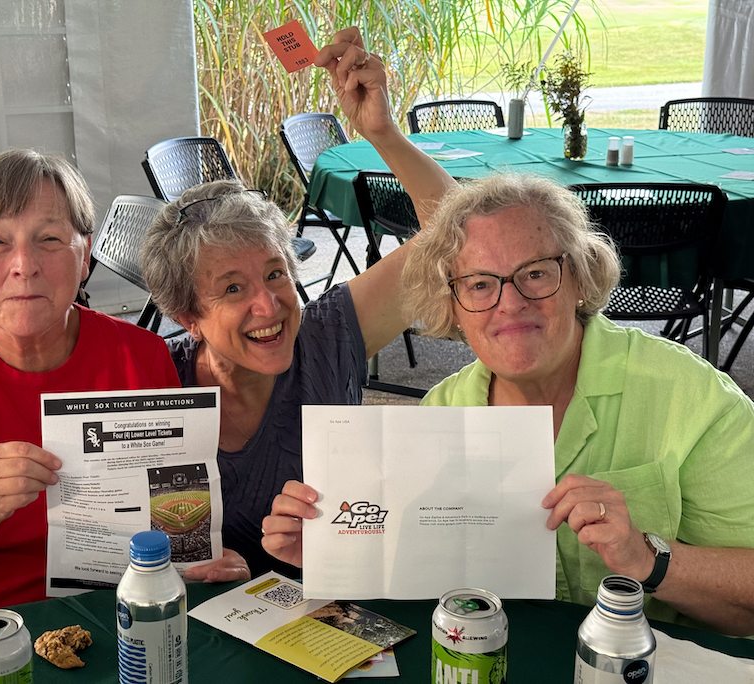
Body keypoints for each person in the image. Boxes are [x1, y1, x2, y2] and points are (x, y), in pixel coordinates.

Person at [263, 171, 754, 635]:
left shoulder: (689, 397)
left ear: (580, 277)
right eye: (479, 284)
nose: (510, 302)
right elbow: (422, 589)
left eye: (535, 273)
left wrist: (647, 557)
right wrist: (337, 554)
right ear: (452, 307)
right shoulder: (441, 416)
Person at [0, 149, 247, 640]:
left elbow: (167, 529)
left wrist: (193, 560)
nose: (24, 265)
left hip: (100, 621)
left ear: (85, 256)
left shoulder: (138, 355)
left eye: (50, 239)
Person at [139, 28, 456, 579]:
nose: (269, 305)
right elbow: (103, 532)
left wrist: (383, 133)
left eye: (275, 274)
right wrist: (168, 564)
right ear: (188, 316)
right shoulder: (154, 385)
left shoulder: (329, 333)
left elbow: (452, 236)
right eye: (233, 288)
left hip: (335, 604)